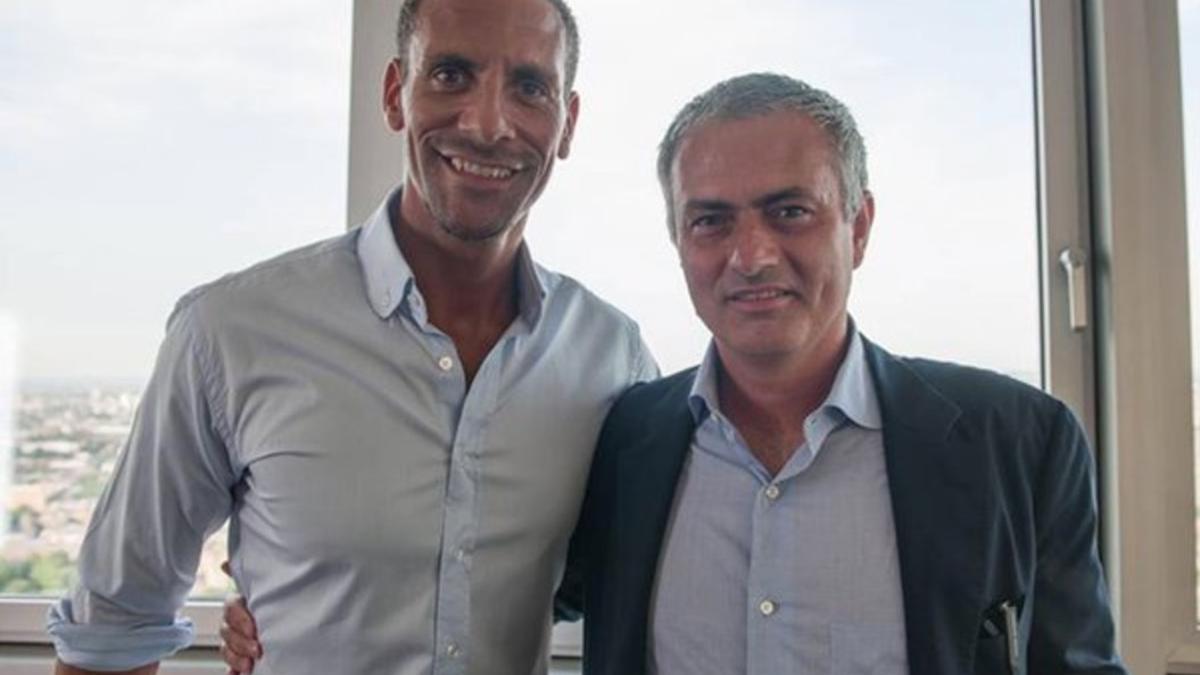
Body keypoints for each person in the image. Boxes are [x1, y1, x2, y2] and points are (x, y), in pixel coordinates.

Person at [218, 73, 1127, 675]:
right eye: (712, 221)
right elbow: (491, 569)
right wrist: (297, 609)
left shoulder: (1018, 441)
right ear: (679, 242)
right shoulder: (625, 439)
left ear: (858, 225)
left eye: (790, 211)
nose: (751, 254)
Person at [47, 0, 656, 673]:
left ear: (567, 123)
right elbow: (112, 629)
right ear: (396, 95)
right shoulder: (229, 332)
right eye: (451, 75)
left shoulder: (612, 359)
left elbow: (600, 583)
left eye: (530, 87)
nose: (488, 124)